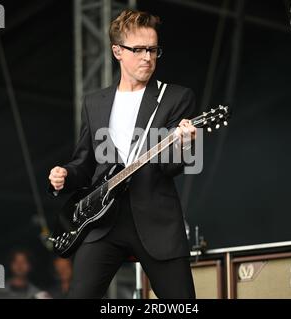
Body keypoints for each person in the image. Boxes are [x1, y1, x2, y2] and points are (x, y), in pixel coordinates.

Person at [48, 9, 197, 299]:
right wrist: (65, 175)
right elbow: (85, 163)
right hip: (102, 223)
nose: (147, 57)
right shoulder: (94, 103)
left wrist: (186, 143)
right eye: (138, 49)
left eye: (153, 49)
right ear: (117, 51)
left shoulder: (176, 98)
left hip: (156, 221)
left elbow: (171, 167)